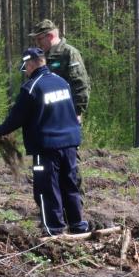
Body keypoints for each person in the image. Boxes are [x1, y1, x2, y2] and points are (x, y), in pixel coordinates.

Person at [0, 48, 88, 235]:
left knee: (46, 188)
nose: (25, 71)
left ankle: (54, 229)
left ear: (32, 63)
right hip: (70, 144)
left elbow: (16, 118)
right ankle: (77, 225)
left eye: (26, 67)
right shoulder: (62, 82)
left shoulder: (32, 87)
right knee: (70, 184)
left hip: (46, 147)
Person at [29, 19, 89, 192]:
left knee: (70, 167)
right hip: (47, 121)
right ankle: (55, 210)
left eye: (39, 39)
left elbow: (81, 86)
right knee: (49, 168)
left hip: (66, 118)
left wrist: (77, 112)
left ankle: (76, 209)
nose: (37, 43)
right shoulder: (42, 57)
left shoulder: (69, 53)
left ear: (50, 35)